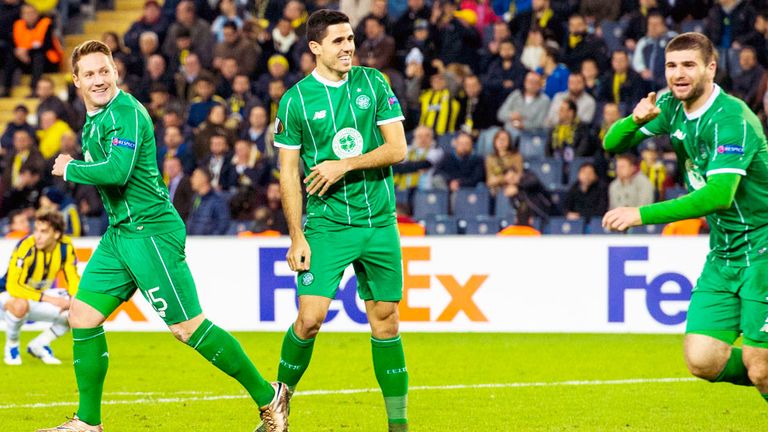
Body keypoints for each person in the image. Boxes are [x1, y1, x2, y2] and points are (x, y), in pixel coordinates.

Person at [40, 40, 287, 432]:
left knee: (187, 328)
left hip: (151, 231)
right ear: (76, 81)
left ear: (116, 73)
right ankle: (88, 422)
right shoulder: (94, 120)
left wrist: (71, 168)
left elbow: (118, 171)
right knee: (82, 316)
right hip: (121, 233)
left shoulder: (128, 113)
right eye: (89, 73)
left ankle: (268, 395)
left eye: (104, 71)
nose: (99, 79)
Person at [602, 33, 768, 404]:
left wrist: (640, 214)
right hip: (724, 254)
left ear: (711, 68)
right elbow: (612, 144)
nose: (678, 74)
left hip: (763, 246)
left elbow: (718, 195)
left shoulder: (732, 119)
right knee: (703, 359)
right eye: (671, 66)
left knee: (761, 367)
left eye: (689, 65)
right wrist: (634, 119)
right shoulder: (670, 106)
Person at [272, 9, 409, 432]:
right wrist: (296, 236)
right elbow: (289, 175)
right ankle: (277, 408)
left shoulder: (373, 82)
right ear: (315, 48)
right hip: (327, 226)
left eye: (350, 39)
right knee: (309, 320)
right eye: (338, 41)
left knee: (385, 319)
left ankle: (398, 425)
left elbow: (398, 149)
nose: (349, 47)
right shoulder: (294, 101)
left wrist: (342, 165)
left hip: (378, 221)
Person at [1, 209, 78, 366]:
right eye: (36, 229)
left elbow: (73, 278)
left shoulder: (65, 246)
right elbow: (13, 286)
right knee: (20, 304)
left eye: (43, 231)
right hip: (6, 296)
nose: (37, 235)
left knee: (79, 309)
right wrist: (50, 299)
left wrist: (74, 298)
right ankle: (12, 347)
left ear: (56, 234)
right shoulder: (26, 246)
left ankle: (39, 344)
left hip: (37, 296)